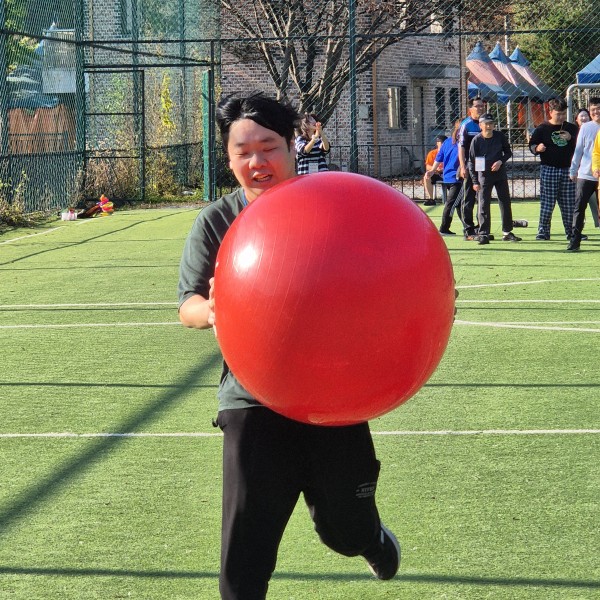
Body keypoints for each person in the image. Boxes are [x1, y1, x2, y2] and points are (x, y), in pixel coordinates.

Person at [178, 92, 400, 600]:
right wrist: (215, 310)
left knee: (343, 529)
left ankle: (369, 538)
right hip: (252, 397)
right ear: (229, 157)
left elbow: (390, 269)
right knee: (243, 563)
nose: (257, 162)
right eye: (242, 151)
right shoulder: (216, 221)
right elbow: (187, 303)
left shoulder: (335, 204)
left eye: (269, 146)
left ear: (293, 145)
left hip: (334, 397)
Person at [467, 113, 521, 245]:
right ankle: (484, 233)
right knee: (483, 203)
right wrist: (474, 181)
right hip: (484, 176)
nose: (489, 126)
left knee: (505, 201)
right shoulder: (476, 140)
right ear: (480, 125)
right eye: (486, 123)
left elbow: (508, 152)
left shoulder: (499, 136)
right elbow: (471, 162)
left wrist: (500, 162)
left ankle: (507, 232)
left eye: (491, 123)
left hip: (499, 174)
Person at [529, 97, 578, 241]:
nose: (561, 116)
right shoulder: (543, 128)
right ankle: (543, 231)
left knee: (569, 203)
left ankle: (572, 231)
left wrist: (571, 138)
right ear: (550, 112)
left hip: (568, 169)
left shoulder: (572, 128)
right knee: (547, 203)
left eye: (563, 113)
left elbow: (580, 146)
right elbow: (532, 145)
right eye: (558, 114)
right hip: (549, 169)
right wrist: (537, 148)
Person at [567, 98, 600, 251]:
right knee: (579, 207)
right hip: (586, 175)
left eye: (598, 108)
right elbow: (579, 150)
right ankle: (575, 241)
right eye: (593, 109)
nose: (596, 112)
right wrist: (573, 169)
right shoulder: (586, 127)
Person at [425, 121, 461, 235]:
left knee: (458, 203)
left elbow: (439, 158)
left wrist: (432, 170)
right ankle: (444, 228)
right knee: (453, 203)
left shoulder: (447, 142)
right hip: (457, 177)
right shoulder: (461, 142)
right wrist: (432, 170)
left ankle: (468, 226)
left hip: (448, 176)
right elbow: (439, 157)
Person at [458, 97, 486, 240]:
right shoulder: (466, 125)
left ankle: (481, 228)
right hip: (470, 166)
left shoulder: (485, 123)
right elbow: (461, 147)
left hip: (482, 165)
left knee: (482, 197)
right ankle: (468, 229)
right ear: (470, 109)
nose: (480, 108)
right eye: (477, 106)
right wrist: (462, 166)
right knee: (468, 197)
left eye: (482, 106)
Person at [423, 134, 446, 205]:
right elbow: (428, 166)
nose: (442, 144)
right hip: (436, 173)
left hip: (447, 173)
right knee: (426, 177)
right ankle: (431, 199)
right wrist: (435, 169)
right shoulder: (432, 153)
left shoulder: (449, 152)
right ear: (437, 143)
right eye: (440, 142)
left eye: (443, 143)